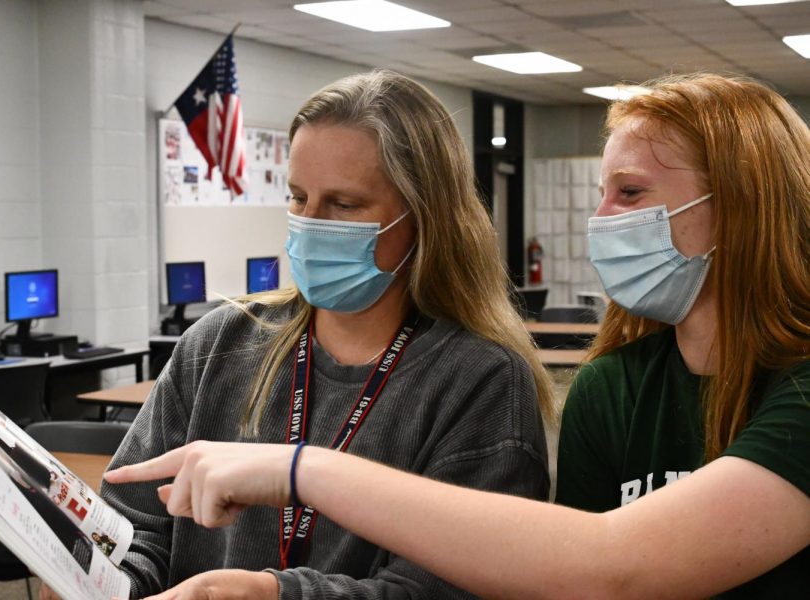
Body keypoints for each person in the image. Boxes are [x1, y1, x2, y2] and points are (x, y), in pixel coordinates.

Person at [106, 73, 809, 599]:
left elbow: (608, 565)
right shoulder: (611, 387)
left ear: (743, 205)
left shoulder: (478, 378)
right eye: (296, 199)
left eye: (629, 194)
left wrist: (297, 472)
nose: (601, 219)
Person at [92, 70, 555, 599]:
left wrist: (272, 595)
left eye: (344, 205)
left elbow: (447, 589)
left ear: (426, 216)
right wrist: (102, 579)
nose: (310, 224)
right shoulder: (219, 343)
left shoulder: (480, 380)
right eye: (297, 197)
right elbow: (130, 526)